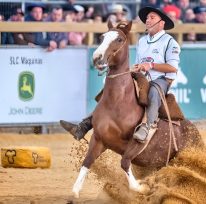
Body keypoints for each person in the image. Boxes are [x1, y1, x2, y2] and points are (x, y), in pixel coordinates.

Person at [60, 6, 181, 143]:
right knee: (112, 89)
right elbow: (139, 62)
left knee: (153, 92)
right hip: (142, 77)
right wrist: (136, 68)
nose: (147, 20)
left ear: (162, 23)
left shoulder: (170, 42)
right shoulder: (142, 41)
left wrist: (151, 65)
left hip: (161, 79)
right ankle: (84, 125)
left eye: (152, 18)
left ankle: (148, 126)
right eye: (147, 18)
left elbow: (173, 68)